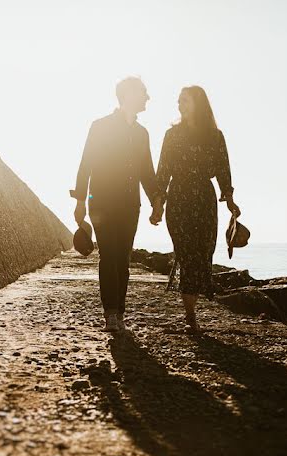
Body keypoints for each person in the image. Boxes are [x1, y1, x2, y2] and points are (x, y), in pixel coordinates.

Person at [71, 77, 163, 332]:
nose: (148, 97)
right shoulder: (100, 126)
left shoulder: (142, 133)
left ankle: (119, 312)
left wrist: (156, 200)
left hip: (130, 205)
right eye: (144, 92)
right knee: (109, 255)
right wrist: (80, 201)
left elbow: (147, 171)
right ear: (129, 94)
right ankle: (111, 312)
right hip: (101, 202)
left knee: (123, 258)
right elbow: (86, 164)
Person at [156, 86, 240, 333]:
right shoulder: (172, 135)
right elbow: (163, 172)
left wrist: (230, 200)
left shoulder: (215, 136)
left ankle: (191, 309)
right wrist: (158, 204)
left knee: (203, 252)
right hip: (179, 198)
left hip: (204, 199)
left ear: (198, 103)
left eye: (184, 100)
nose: (179, 104)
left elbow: (224, 170)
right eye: (178, 100)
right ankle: (190, 315)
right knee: (187, 253)